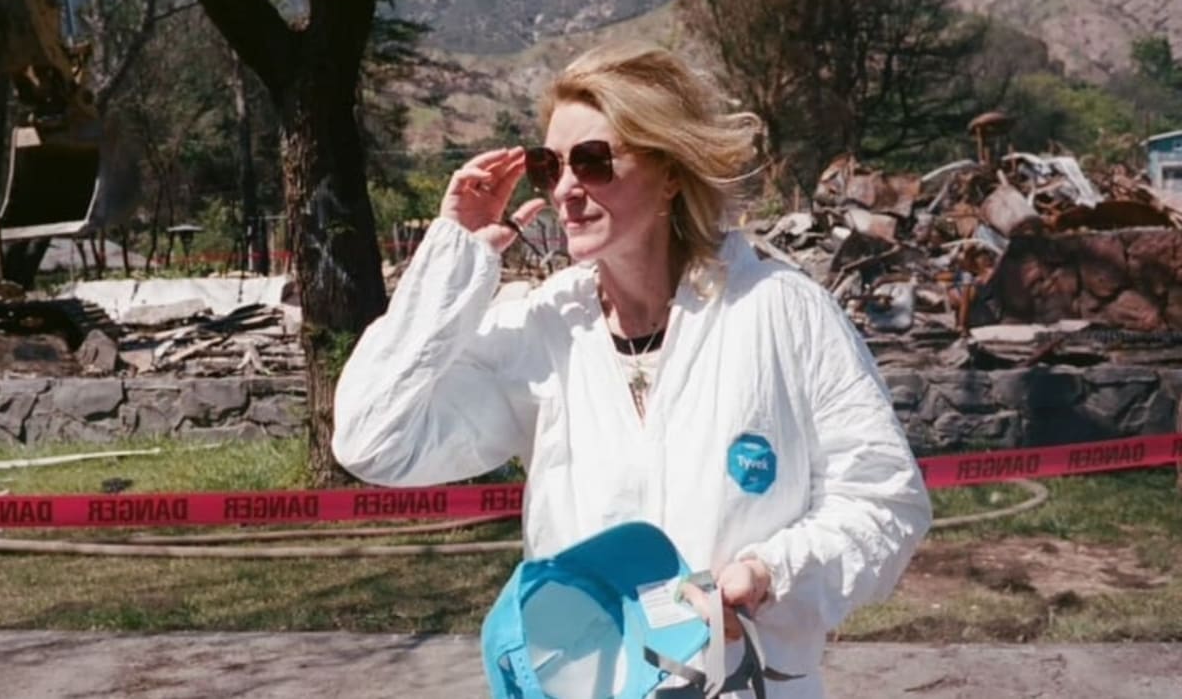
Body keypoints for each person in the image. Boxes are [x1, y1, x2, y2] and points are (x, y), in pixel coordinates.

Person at [332, 40, 932, 698]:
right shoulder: (542, 331)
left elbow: (884, 501)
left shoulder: (781, 311)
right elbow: (371, 438)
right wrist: (452, 257)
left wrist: (770, 573)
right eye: (547, 166)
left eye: (592, 161)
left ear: (669, 170)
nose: (566, 188)